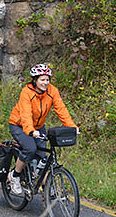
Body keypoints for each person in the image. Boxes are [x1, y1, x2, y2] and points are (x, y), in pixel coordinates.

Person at [6, 63, 77, 196]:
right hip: (20, 125)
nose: (45, 82)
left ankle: (45, 187)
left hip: (38, 127)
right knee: (30, 149)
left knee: (43, 157)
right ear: (35, 80)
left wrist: (72, 127)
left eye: (47, 79)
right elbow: (25, 114)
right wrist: (30, 131)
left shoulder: (52, 91)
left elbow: (61, 109)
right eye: (42, 79)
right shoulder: (27, 92)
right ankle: (14, 176)